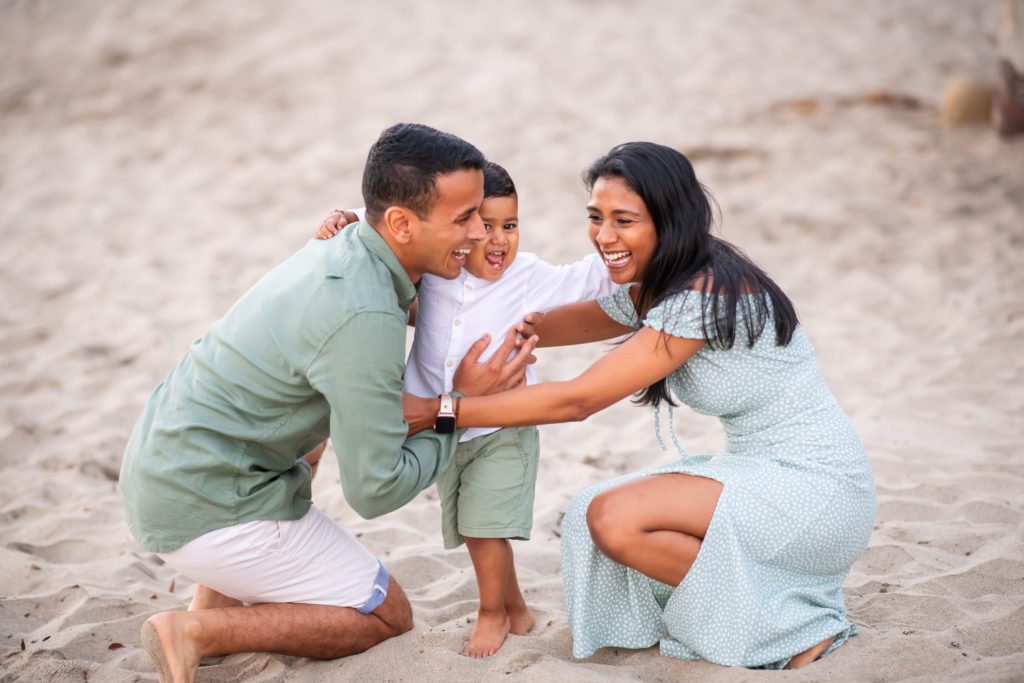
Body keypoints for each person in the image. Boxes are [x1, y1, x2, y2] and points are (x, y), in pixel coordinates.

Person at [404, 142, 876, 669]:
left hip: (815, 485)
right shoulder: (656, 287)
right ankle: (765, 607)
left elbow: (578, 400)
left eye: (623, 220)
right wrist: (442, 305)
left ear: (668, 220)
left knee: (615, 517)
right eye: (596, 217)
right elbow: (535, 322)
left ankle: (791, 627)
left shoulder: (704, 294)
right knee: (589, 515)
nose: (604, 237)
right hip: (760, 470)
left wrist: (440, 410)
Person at [118, 123, 539, 683]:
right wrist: (455, 406)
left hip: (162, 467)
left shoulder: (345, 248)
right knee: (386, 615)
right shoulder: (364, 314)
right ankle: (198, 631)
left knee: (314, 429)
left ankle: (208, 607)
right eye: (464, 219)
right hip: (206, 506)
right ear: (400, 223)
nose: (481, 235)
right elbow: (375, 489)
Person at [315, 161, 617, 657]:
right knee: (474, 527)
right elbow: (394, 220)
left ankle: (493, 612)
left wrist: (635, 243)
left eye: (511, 225)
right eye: (486, 226)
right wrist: (344, 217)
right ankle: (517, 607)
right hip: (444, 425)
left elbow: (592, 278)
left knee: (484, 526)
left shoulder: (528, 277)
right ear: (462, 227)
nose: (498, 240)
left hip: (503, 427)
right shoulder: (439, 269)